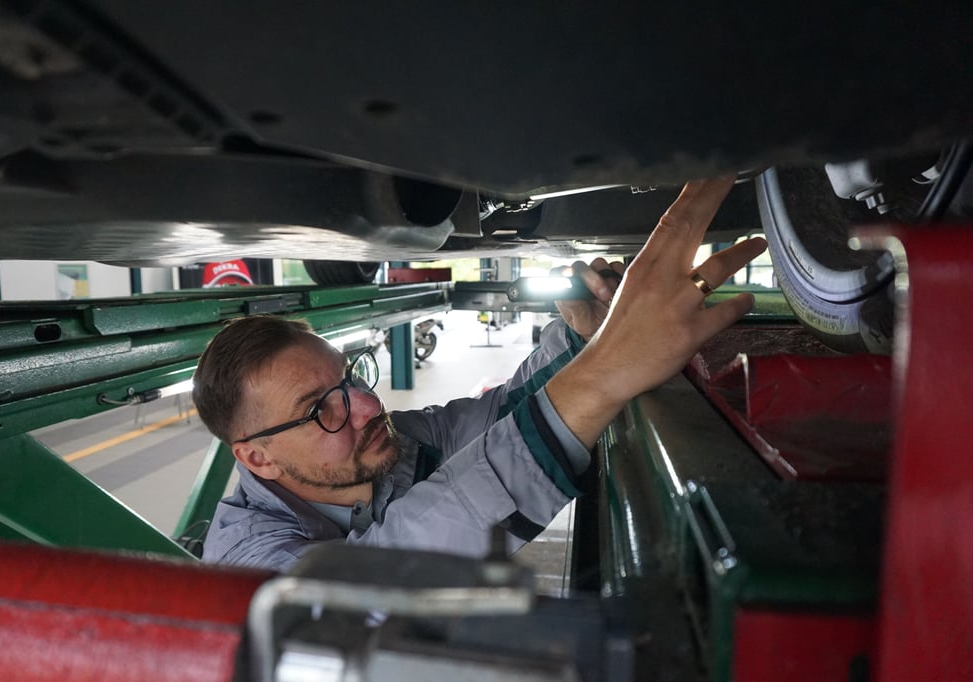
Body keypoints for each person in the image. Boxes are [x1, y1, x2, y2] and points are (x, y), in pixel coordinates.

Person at [192, 177, 768, 571]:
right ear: (257, 459)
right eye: (323, 408)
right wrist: (607, 370)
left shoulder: (392, 444)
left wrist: (582, 338)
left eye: (352, 379)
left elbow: (503, 413)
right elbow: (377, 582)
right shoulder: (248, 563)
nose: (368, 408)